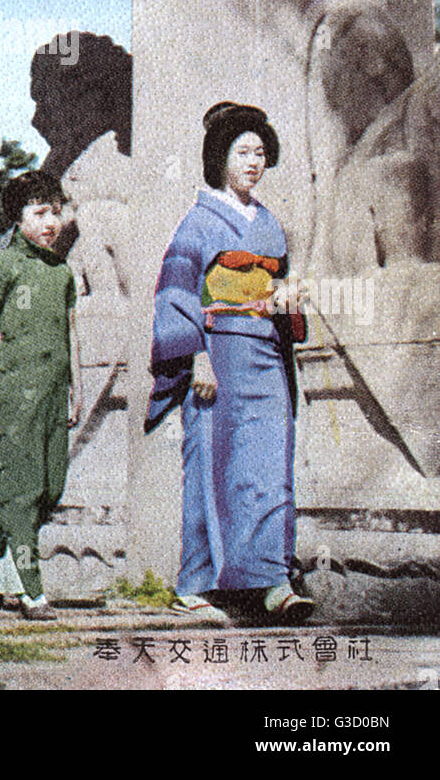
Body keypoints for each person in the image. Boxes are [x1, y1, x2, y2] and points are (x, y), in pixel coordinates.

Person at [145, 101, 314, 626]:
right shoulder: (198, 222)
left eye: (261, 153)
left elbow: (281, 283)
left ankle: (273, 580)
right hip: (216, 355)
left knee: (270, 464)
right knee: (210, 467)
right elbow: (175, 295)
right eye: (243, 151)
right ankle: (194, 585)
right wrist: (195, 357)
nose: (253, 162)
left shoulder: (269, 225)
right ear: (220, 157)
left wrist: (287, 299)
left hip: (265, 351)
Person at [0, 171, 83, 621]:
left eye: (55, 211)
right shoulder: (3, 265)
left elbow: (72, 333)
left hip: (54, 395)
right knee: (21, 489)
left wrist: (78, 387)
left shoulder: (63, 271)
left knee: (50, 488)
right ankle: (32, 589)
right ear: (18, 220)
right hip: (14, 393)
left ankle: (5, 563)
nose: (50, 222)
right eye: (39, 213)